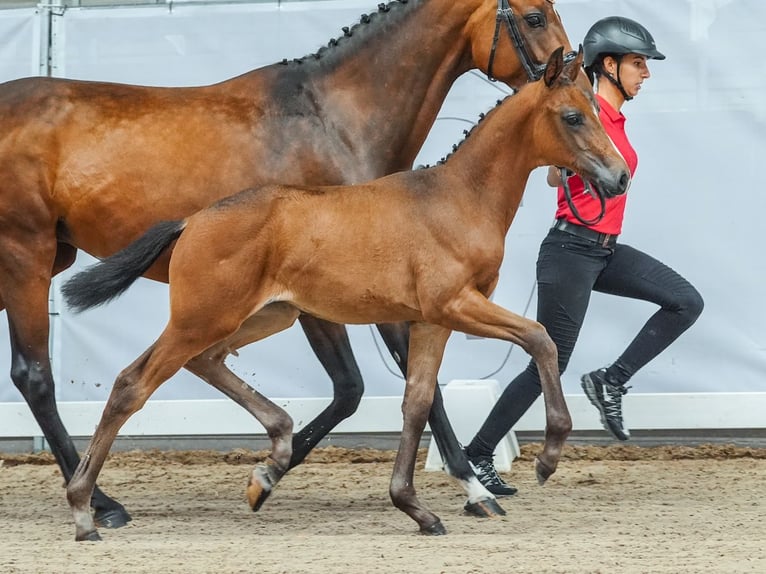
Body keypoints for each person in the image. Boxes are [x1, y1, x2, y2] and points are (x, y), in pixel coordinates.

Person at [463, 16, 705, 496]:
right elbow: (555, 174)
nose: (646, 73)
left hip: (604, 249)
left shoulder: (609, 119)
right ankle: (477, 454)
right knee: (547, 363)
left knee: (685, 301)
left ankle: (610, 381)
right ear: (609, 65)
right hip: (570, 249)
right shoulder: (580, 112)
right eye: (638, 64)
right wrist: (565, 165)